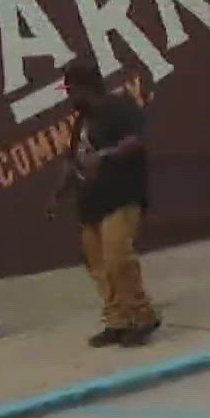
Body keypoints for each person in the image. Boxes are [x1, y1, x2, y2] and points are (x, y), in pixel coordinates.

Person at [48, 57, 159, 347]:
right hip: (90, 204)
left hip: (120, 197)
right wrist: (59, 192)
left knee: (117, 259)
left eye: (72, 90)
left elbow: (136, 141)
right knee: (98, 267)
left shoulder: (119, 107)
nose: (70, 97)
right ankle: (117, 321)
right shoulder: (82, 122)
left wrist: (105, 155)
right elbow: (72, 161)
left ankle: (143, 316)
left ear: (86, 87)